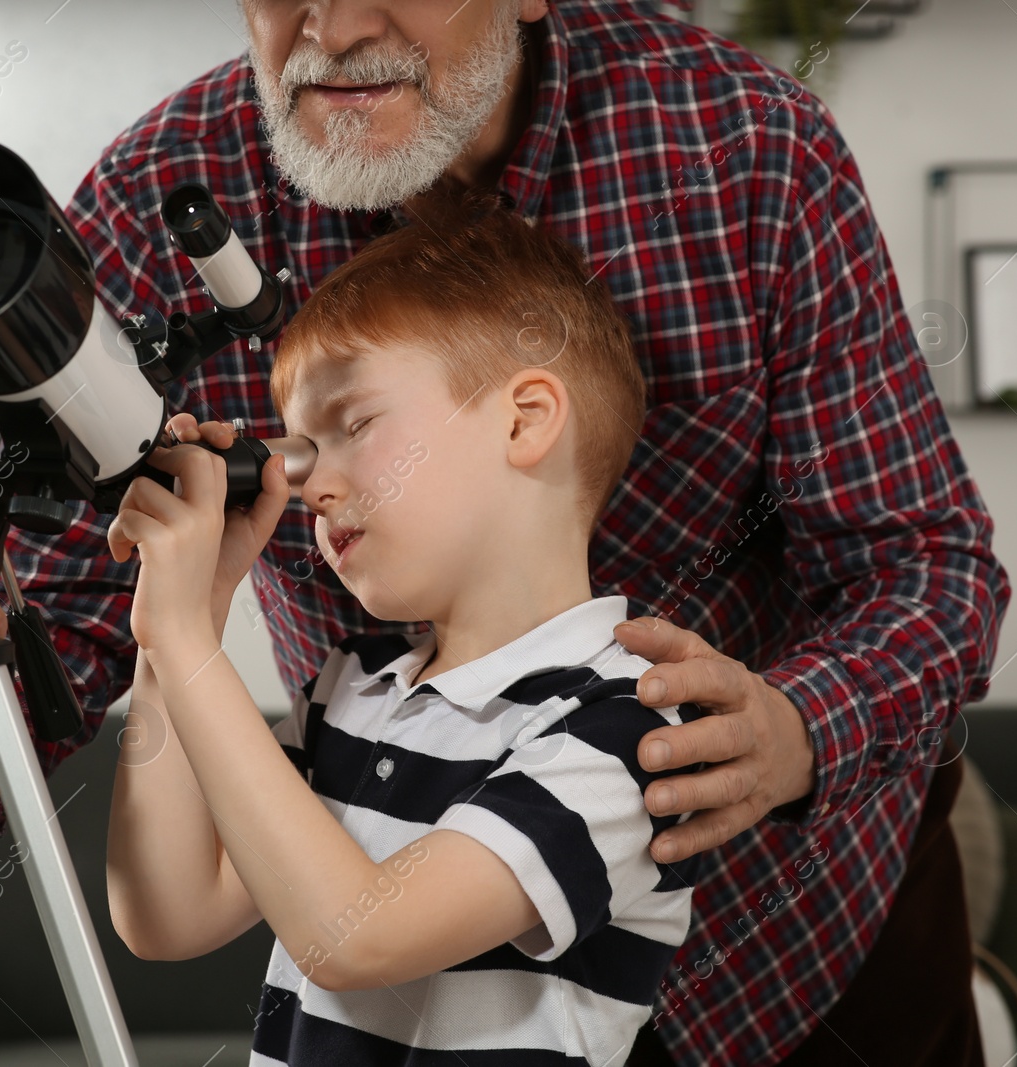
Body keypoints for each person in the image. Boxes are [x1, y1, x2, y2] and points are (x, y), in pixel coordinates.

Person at [0, 2, 1010, 1063]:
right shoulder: (171, 187)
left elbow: (927, 565)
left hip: (794, 935)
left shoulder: (742, 144)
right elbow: (89, 657)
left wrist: (801, 731)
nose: (337, 24)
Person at [107, 192, 701, 1065]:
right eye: (301, 450)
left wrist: (192, 653)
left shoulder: (629, 727)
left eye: (354, 424)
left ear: (524, 418)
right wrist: (178, 624)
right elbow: (166, 913)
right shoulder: (353, 688)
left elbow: (358, 939)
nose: (310, 485)